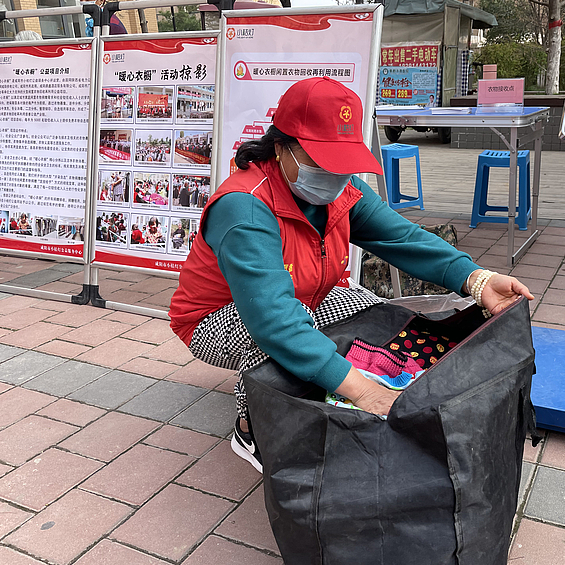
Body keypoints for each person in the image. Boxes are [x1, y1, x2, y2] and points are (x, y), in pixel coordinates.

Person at [169, 77, 534, 474]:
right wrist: (363, 392)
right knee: (285, 335)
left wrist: (477, 280)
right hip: (214, 318)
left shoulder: (342, 190)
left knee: (375, 312)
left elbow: (402, 238)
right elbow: (273, 321)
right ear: (281, 147)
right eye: (320, 161)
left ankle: (324, 380)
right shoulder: (245, 206)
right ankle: (251, 426)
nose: (333, 174)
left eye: (341, 162)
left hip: (305, 296)